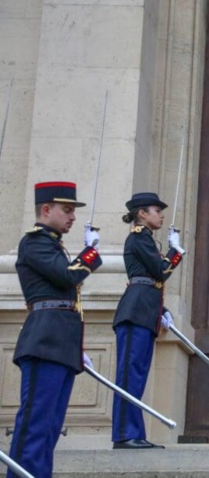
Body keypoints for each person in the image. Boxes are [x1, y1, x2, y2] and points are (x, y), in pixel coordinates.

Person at [7, 181, 102, 477]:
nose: (72, 217)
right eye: (67, 210)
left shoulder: (52, 244)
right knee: (36, 423)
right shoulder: (35, 241)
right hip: (45, 340)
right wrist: (89, 253)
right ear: (46, 209)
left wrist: (76, 348)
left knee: (50, 427)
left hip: (60, 343)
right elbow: (66, 277)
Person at [112, 192, 185, 449]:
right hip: (135, 312)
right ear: (142, 213)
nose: (162, 215)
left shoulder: (145, 239)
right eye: (157, 210)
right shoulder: (138, 237)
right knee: (129, 374)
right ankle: (125, 434)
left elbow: (151, 279)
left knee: (137, 376)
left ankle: (134, 433)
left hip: (145, 311)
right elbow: (160, 272)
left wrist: (161, 309)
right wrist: (175, 252)